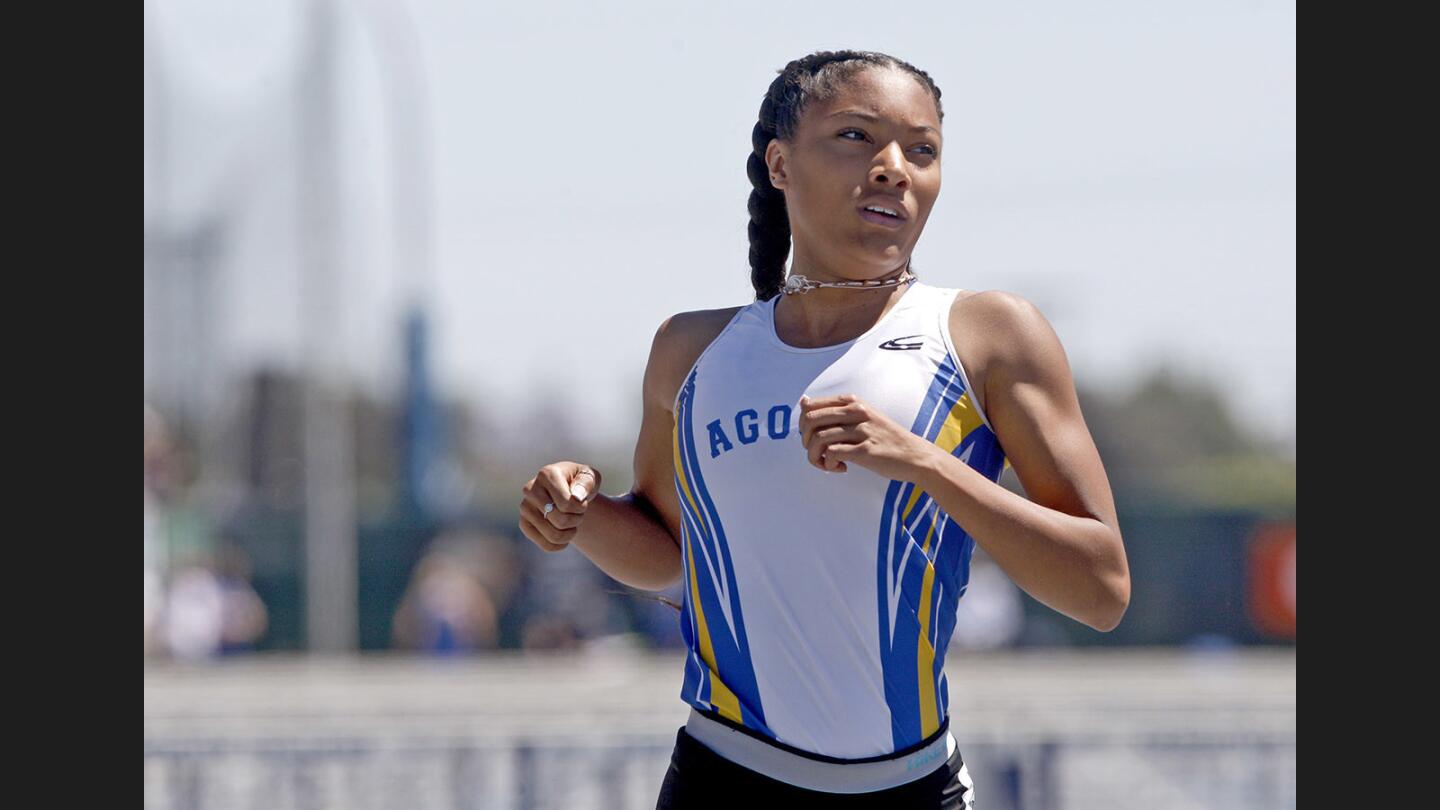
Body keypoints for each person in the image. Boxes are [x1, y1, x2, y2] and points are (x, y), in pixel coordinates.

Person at [519, 49, 1131, 809]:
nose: (893, 168)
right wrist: (577, 516)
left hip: (909, 788)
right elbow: (668, 560)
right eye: (855, 136)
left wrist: (927, 465)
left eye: (923, 149)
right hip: (722, 774)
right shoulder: (692, 351)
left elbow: (1102, 589)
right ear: (779, 162)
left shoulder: (988, 335)